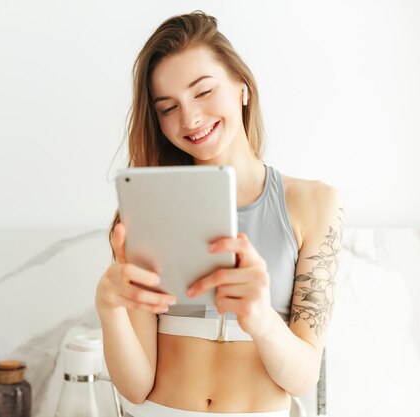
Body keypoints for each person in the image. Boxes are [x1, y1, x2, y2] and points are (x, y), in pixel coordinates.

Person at [95, 10, 345, 417]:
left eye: (203, 91)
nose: (190, 118)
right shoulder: (148, 207)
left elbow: (302, 378)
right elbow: (136, 386)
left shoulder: (315, 203)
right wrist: (109, 309)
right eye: (168, 107)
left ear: (242, 87)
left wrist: (260, 317)